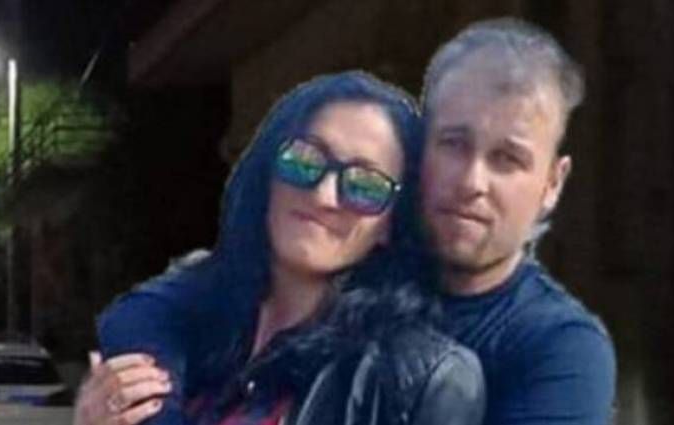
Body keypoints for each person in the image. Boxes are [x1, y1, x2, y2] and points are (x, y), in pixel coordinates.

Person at [74, 71, 485, 425]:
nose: (324, 195)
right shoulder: (187, 315)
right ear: (268, 173)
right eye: (306, 160)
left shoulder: (424, 381)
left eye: (365, 185)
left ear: (391, 223)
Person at [415, 18, 616, 425]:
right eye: (454, 144)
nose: (471, 182)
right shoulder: (348, 279)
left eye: (507, 158)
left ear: (552, 183)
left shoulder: (561, 347)